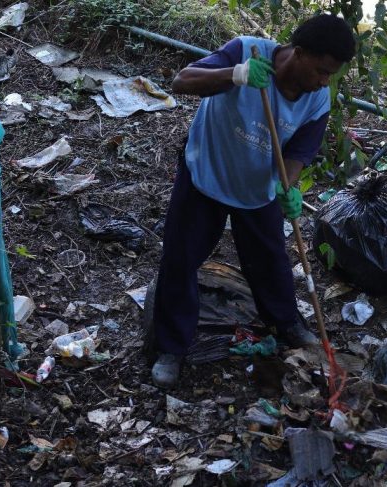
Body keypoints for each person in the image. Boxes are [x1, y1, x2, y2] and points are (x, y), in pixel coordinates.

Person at [151, 14, 356, 387]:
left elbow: (298, 153)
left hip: (257, 189)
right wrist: (237, 75)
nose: (324, 81)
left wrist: (288, 187)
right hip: (206, 173)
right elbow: (182, 81)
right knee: (180, 260)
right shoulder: (246, 52)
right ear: (299, 52)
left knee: (271, 263)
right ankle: (171, 347)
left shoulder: (316, 101)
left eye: (331, 75)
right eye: (322, 71)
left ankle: (287, 324)